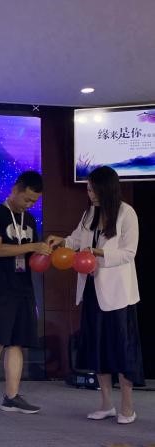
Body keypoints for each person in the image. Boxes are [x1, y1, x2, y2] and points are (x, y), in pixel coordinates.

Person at [47, 166, 142, 424]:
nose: (90, 194)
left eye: (93, 189)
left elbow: (129, 253)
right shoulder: (90, 213)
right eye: (88, 189)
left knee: (121, 349)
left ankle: (127, 407)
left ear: (106, 189)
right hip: (92, 289)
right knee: (98, 346)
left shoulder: (126, 213)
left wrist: (98, 253)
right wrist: (62, 241)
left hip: (118, 294)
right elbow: (77, 240)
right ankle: (106, 404)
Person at [0, 171, 51, 416]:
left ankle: (11, 396)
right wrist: (33, 246)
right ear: (16, 189)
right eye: (27, 199)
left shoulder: (29, 219)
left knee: (17, 342)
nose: (29, 205)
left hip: (24, 287)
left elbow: (32, 254)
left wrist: (45, 250)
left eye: (34, 201)